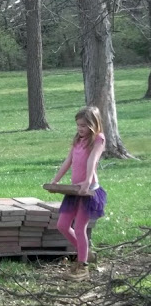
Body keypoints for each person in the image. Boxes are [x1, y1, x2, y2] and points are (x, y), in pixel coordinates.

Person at [50, 106, 108, 282]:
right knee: (62, 224)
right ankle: (86, 253)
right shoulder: (78, 139)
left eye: (83, 126)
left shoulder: (99, 139)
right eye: (78, 125)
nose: (80, 129)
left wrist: (87, 181)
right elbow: (69, 160)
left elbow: (92, 160)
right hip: (75, 190)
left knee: (81, 228)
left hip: (89, 191)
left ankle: (82, 268)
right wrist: (56, 180)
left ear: (93, 124)